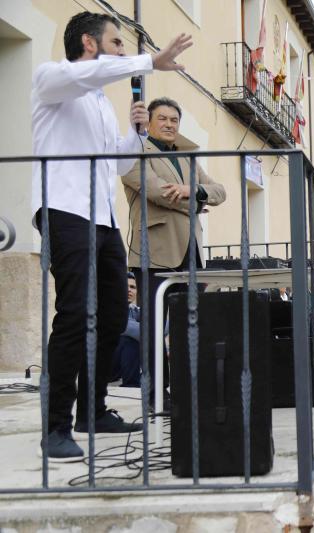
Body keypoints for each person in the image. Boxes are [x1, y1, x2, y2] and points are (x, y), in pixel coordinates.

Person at [31, 11, 192, 460]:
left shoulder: (100, 102)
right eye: (117, 42)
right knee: (73, 314)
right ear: (89, 42)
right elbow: (92, 73)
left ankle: (92, 410)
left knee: (114, 315)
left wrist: (135, 134)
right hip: (64, 209)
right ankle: (56, 427)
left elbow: (117, 166)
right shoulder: (53, 80)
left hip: (102, 220)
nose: (122, 50)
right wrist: (148, 62)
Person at [122, 96, 226, 409]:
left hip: (190, 253)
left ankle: (184, 390)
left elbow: (221, 191)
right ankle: (155, 395)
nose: (169, 125)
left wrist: (193, 191)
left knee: (186, 326)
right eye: (163, 119)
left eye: (174, 120)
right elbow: (156, 191)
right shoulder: (136, 152)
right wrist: (196, 203)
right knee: (154, 329)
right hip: (154, 250)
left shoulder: (188, 156)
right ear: (149, 122)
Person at [111, 273, 141, 387]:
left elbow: (166, 325)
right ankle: (132, 384)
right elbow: (136, 331)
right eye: (124, 285)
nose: (129, 290)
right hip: (101, 368)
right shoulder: (111, 308)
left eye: (133, 287)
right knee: (129, 339)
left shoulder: (135, 310)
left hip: (117, 368)